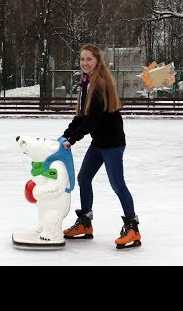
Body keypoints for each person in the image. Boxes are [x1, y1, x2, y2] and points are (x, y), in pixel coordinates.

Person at [61, 43, 141, 249]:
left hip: (112, 143)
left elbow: (93, 120)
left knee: (117, 184)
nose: (84, 63)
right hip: (99, 141)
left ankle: (133, 227)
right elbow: (82, 116)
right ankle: (85, 223)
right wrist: (65, 135)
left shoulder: (100, 83)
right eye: (82, 59)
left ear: (97, 61)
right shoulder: (86, 82)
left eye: (89, 59)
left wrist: (73, 139)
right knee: (84, 178)